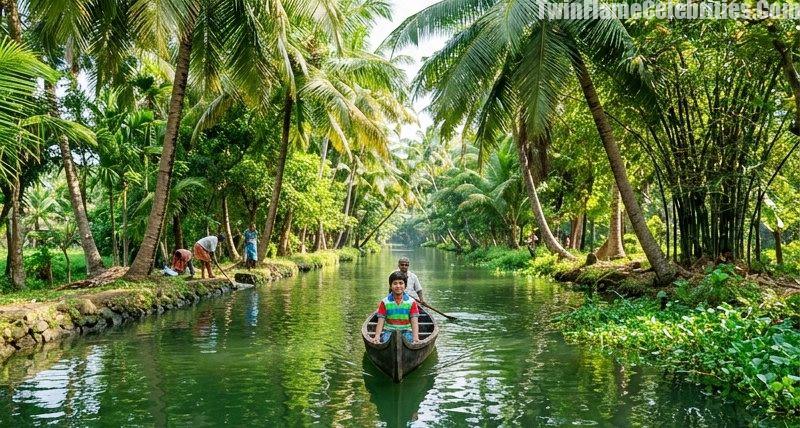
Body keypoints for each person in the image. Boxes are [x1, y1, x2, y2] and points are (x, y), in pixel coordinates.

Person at [370, 271, 420, 344]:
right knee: (384, 340)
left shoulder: (412, 302)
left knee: (410, 340)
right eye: (395, 283)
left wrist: (416, 338)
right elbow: (381, 321)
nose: (398, 286)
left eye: (401, 283)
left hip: (406, 331)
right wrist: (377, 337)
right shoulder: (385, 302)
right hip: (389, 331)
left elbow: (414, 322)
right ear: (390, 286)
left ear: (405, 286)